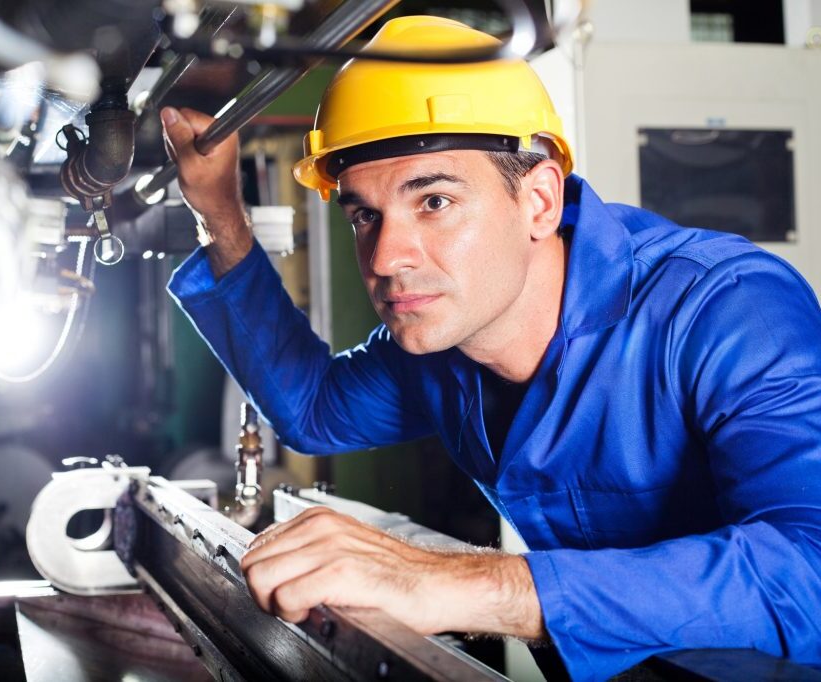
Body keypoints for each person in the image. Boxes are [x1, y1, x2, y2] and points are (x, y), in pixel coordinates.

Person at [161, 15, 821, 682]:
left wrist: (455, 584)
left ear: (537, 200)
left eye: (435, 202)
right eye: (364, 215)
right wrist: (219, 213)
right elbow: (312, 410)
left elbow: (810, 569)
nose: (387, 258)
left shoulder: (725, 309)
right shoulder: (441, 344)